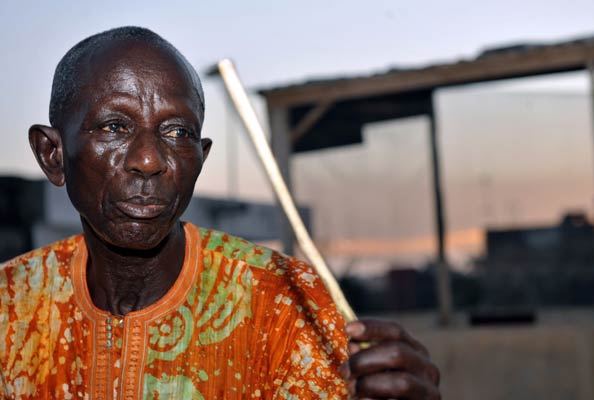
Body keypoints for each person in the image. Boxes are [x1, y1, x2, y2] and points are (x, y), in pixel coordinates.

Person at [0, 27, 440, 399]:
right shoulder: (9, 306)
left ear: (200, 157)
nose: (150, 160)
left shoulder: (284, 303)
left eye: (177, 132)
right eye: (115, 126)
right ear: (52, 155)